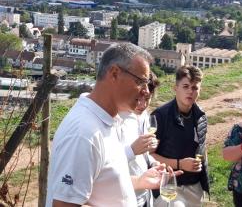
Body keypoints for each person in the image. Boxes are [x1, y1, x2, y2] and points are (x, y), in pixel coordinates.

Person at [46, 43, 175, 207]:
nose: (146, 91)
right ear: (114, 73)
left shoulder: (108, 121)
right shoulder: (83, 133)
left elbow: (103, 185)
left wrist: (140, 181)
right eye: (141, 81)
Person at [151, 65, 210, 207]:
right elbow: (149, 155)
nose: (190, 91)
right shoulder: (160, 116)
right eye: (185, 86)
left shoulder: (201, 115)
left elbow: (202, 149)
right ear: (175, 88)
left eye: (195, 88)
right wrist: (179, 164)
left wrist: (205, 183)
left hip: (195, 187)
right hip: (169, 185)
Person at [119, 71, 160, 207]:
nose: (142, 105)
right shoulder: (116, 119)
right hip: (124, 198)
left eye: (147, 99)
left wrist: (153, 163)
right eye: (139, 98)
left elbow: (143, 155)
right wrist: (132, 150)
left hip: (144, 196)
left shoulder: (144, 116)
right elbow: (105, 165)